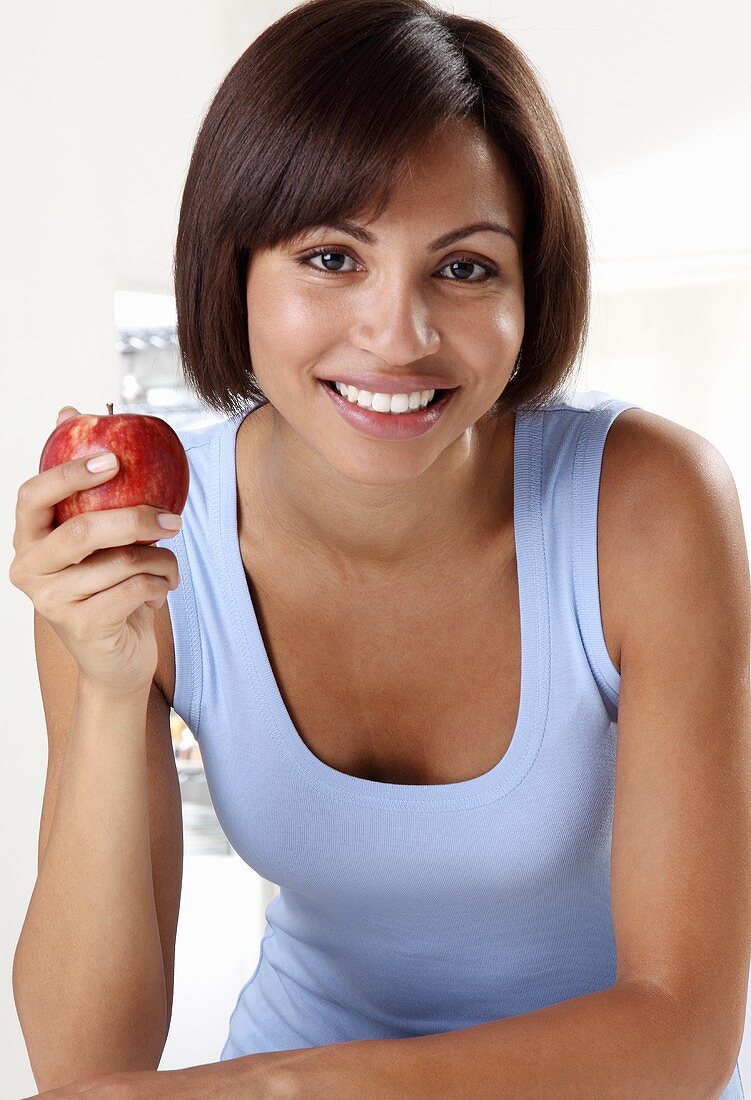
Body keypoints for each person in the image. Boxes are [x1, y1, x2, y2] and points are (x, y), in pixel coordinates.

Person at [11, 0, 750, 1096]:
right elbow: (84, 1062)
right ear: (236, 269)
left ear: (529, 290)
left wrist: (293, 1087)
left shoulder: (647, 507)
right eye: (329, 256)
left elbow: (682, 1034)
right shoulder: (146, 541)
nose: (397, 335)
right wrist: (112, 687)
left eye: (463, 268)